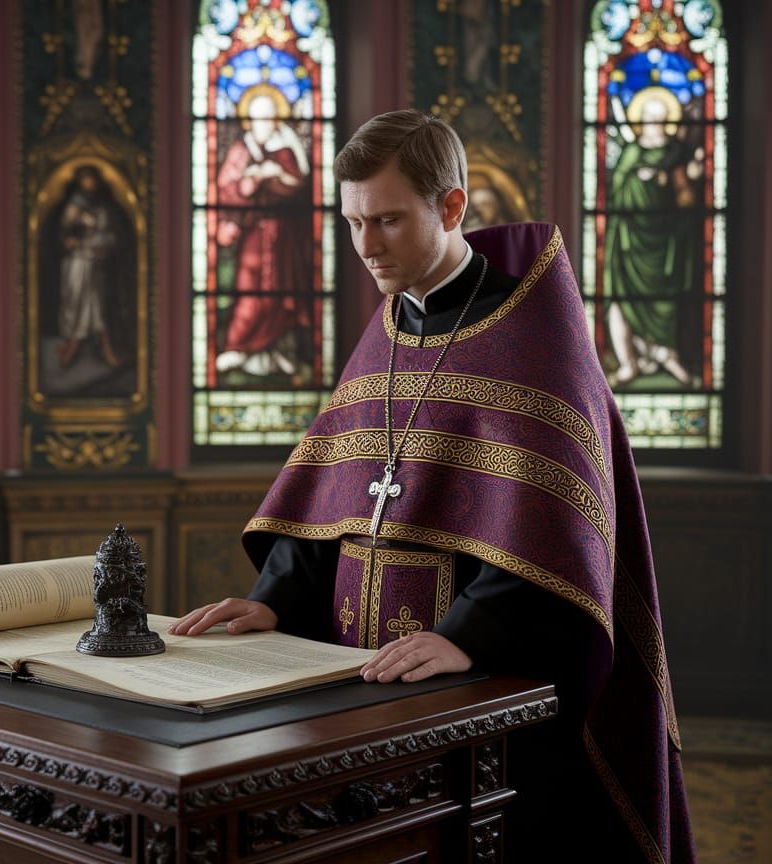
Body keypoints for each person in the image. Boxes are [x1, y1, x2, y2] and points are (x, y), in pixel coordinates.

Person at [171, 109, 695, 863]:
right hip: (355, 683)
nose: (365, 247)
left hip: (483, 691)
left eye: (386, 220)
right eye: (352, 223)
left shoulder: (536, 337)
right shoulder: (387, 330)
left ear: (451, 206)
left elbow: (558, 534)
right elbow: (339, 496)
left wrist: (465, 638)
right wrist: (273, 599)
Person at [604, 85, 702, 387]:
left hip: (666, 238)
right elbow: (616, 188)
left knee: (666, 300)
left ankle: (667, 354)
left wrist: (669, 179)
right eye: (649, 118)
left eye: (660, 119)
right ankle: (630, 361)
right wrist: (637, 178)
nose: (655, 125)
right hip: (629, 239)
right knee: (622, 298)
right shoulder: (632, 152)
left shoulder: (675, 152)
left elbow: (686, 196)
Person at [214, 84, 312, 378]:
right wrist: (248, 184)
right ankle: (238, 346)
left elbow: (300, 186)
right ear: (250, 121)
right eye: (259, 119)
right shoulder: (242, 149)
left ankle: (281, 351)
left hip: (284, 234)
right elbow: (226, 188)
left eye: (270, 119)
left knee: (283, 290)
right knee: (250, 285)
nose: (265, 125)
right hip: (253, 234)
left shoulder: (285, 150)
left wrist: (278, 175)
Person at [55, 164, 123, 370]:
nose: (88, 183)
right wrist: (73, 241)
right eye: (84, 179)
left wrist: (103, 245)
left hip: (95, 265)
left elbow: (111, 237)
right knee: (76, 305)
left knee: (96, 308)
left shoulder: (102, 208)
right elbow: (65, 235)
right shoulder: (73, 206)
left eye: (91, 178)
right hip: (77, 264)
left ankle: (104, 349)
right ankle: (70, 348)